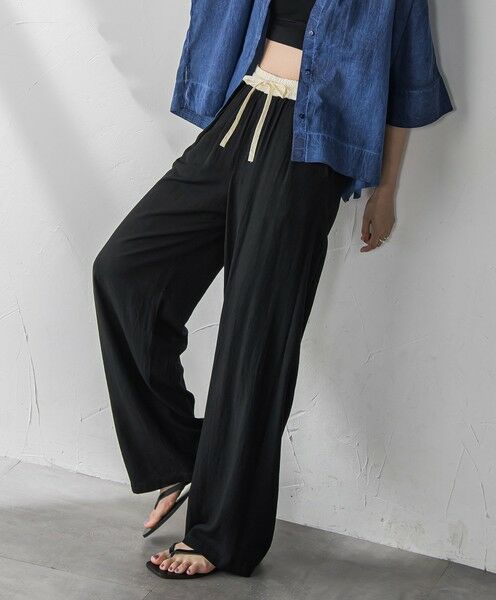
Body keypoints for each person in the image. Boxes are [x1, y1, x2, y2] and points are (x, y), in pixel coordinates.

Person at [92, 0, 453, 581]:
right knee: (123, 272)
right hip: (239, 112)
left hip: (308, 149)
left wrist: (385, 190)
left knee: (254, 338)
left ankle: (222, 536)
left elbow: (408, 78)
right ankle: (179, 454)